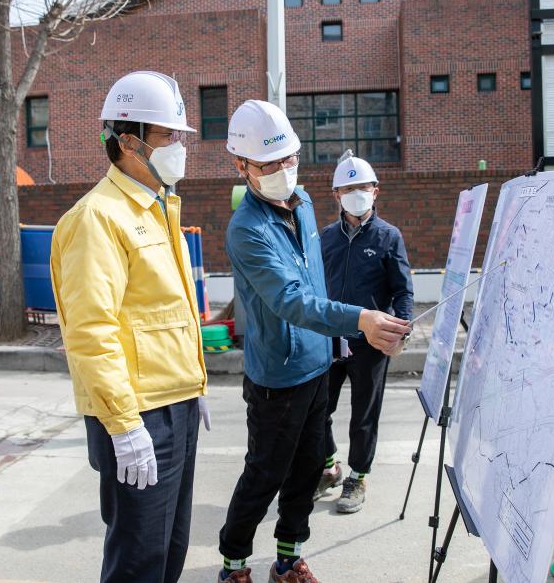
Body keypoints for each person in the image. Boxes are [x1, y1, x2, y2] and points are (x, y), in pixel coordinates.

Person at [217, 100, 409, 583]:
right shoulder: (247, 230)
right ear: (241, 166)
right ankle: (234, 565)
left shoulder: (300, 202)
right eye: (269, 163)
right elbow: (291, 300)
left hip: (318, 364)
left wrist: (337, 339)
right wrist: (359, 318)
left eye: (290, 158)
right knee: (265, 475)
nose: (284, 170)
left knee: (306, 473)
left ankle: (288, 559)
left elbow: (316, 279)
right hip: (277, 378)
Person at [50, 70, 209, 583]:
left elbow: (163, 312)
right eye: (168, 135)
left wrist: (191, 384)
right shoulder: (97, 218)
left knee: (169, 550)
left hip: (175, 403)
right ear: (127, 142)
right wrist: (122, 424)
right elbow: (90, 332)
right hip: (138, 415)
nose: (180, 146)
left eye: (181, 135)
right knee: (138, 560)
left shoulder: (158, 206)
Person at [314, 152, 414, 513]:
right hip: (329, 340)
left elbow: (402, 291)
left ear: (376, 191)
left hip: (370, 343)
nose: (356, 194)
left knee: (364, 415)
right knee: (316, 410)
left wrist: (402, 330)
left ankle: (357, 477)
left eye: (363, 187)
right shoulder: (325, 238)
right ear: (336, 195)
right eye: (348, 188)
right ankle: (329, 468)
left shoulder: (389, 237)